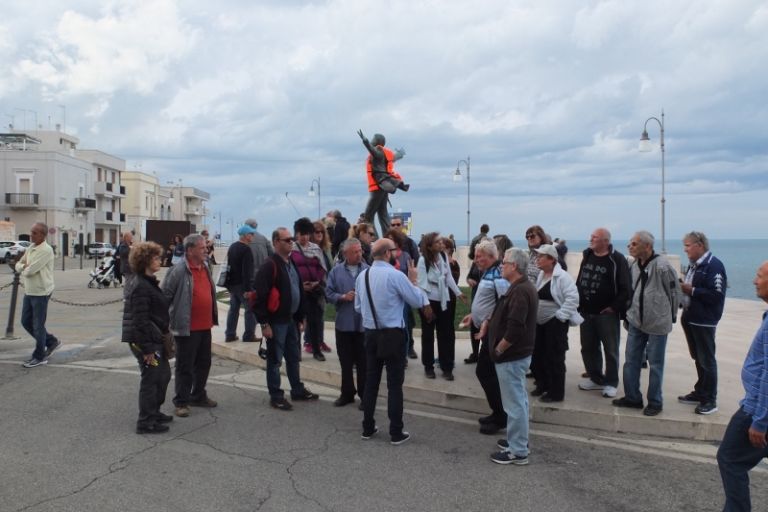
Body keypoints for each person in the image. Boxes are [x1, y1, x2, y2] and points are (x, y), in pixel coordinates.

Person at [354, 238, 432, 445]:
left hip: (370, 333)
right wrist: (413, 280)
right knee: (394, 385)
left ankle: (367, 427)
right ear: (388, 253)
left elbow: (358, 308)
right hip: (392, 334)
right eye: (395, 250)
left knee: (371, 382)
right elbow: (416, 301)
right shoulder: (395, 275)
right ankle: (396, 432)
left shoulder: (363, 275)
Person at [716, 261, 768, 512]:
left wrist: (760, 420)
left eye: (759, 276)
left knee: (730, 459)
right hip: (757, 406)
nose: (754, 281)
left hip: (755, 409)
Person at [613, 231, 680, 416]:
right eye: (630, 243)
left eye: (634, 244)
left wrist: (671, 316)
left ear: (648, 246)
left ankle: (655, 402)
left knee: (656, 364)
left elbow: (675, 293)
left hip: (657, 323)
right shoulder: (634, 265)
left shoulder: (663, 267)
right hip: (636, 321)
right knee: (631, 361)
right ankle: (632, 397)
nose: (630, 247)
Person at [481, 247, 538, 465]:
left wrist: (498, 350)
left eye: (504, 263)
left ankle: (518, 451)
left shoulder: (521, 291)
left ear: (514, 266)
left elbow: (515, 329)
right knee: (518, 401)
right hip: (515, 357)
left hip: (511, 358)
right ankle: (518, 441)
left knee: (514, 404)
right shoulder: (520, 287)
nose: (501, 266)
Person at [254, 227, 319, 410]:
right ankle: (276, 395)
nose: (291, 242)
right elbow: (260, 297)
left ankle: (297, 389)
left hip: (291, 320)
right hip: (276, 322)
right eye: (286, 240)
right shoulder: (269, 265)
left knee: (293, 357)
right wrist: (264, 323)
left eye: (291, 239)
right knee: (275, 360)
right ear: (275, 242)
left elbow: (297, 290)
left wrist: (301, 316)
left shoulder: (291, 264)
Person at [163, 234, 219, 418]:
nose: (206, 250)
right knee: (185, 366)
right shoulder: (178, 271)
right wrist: (166, 324)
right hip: (186, 327)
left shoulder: (205, 266)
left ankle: (198, 395)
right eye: (202, 248)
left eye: (205, 247)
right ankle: (181, 401)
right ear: (190, 250)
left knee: (204, 363)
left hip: (205, 326)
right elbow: (165, 297)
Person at [121, 241, 172, 434]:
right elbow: (140, 320)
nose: (160, 260)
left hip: (154, 339)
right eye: (156, 257)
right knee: (151, 379)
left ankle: (154, 411)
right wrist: (148, 349)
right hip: (145, 342)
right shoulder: (141, 286)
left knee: (163, 375)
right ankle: (146, 421)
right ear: (145, 260)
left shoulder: (147, 282)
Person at [459, 240, 510, 434]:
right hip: (487, 331)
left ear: (491, 256)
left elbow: (504, 304)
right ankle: (498, 413)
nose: (477, 259)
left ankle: (500, 416)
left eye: (480, 256)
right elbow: (489, 301)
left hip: (494, 333)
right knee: (487, 373)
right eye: (476, 255)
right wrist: (474, 315)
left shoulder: (497, 273)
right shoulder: (489, 272)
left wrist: (487, 321)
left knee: (485, 372)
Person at [576, 228, 631, 399]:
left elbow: (626, 288)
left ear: (605, 241)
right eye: (591, 236)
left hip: (606, 314)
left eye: (595, 237)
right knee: (588, 348)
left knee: (610, 350)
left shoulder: (617, 259)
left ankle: (611, 382)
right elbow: (580, 279)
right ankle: (595, 378)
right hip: (585, 312)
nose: (590, 239)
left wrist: (614, 307)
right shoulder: (588, 255)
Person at [678, 231, 727, 415]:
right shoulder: (694, 265)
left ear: (700, 245)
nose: (685, 250)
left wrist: (692, 290)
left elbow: (716, 295)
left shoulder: (713, 265)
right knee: (698, 357)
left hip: (704, 321)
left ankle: (710, 400)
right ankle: (701, 391)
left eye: (688, 245)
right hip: (691, 318)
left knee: (707, 359)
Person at [531, 244, 582, 403]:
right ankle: (542, 384)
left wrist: (560, 316)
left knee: (554, 357)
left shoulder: (563, 277)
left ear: (552, 260)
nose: (537, 259)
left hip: (555, 323)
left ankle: (556, 392)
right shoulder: (541, 275)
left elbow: (573, 298)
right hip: (540, 323)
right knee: (538, 355)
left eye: (541, 257)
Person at [417, 232, 466, 381]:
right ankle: (428, 366)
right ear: (430, 246)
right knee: (428, 335)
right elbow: (421, 285)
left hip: (444, 300)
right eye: (438, 242)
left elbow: (448, 277)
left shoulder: (444, 257)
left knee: (445, 333)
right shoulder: (422, 260)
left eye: (441, 242)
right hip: (429, 301)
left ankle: (447, 367)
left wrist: (458, 293)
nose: (442, 244)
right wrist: (426, 305)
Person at [326, 238, 368, 407]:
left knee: (363, 363)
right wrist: (342, 297)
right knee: (345, 361)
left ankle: (366, 396)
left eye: (360, 251)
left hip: (363, 325)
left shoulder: (368, 270)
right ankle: (347, 393)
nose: (359, 254)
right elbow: (328, 293)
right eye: (355, 252)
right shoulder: (335, 272)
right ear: (345, 254)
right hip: (344, 324)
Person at [17, 222, 61, 368]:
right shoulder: (31, 247)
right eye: (31, 231)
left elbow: (31, 271)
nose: (31, 234)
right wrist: (23, 266)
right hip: (29, 290)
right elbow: (19, 264)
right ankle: (51, 341)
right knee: (25, 321)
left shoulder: (46, 250)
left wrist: (23, 268)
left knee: (38, 325)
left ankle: (39, 356)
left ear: (43, 235)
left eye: (35, 232)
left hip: (41, 292)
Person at [291, 217, 330, 360]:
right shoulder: (292, 249)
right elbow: (289, 271)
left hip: (314, 291)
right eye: (302, 234)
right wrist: (300, 285)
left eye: (307, 234)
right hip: (298, 292)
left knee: (315, 322)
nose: (305, 237)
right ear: (297, 234)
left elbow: (322, 268)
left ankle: (316, 350)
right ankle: (296, 352)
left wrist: (317, 282)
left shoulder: (316, 249)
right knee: (297, 322)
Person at [357, 130, 408, 236]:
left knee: (368, 217)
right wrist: (401, 153)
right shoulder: (386, 153)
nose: (371, 140)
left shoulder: (378, 151)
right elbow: (395, 157)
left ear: (378, 142)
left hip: (378, 187)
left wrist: (365, 140)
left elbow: (372, 150)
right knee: (383, 215)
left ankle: (373, 240)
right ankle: (389, 238)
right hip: (384, 186)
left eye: (373, 139)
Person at [224, 225, 256, 342]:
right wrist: (248, 289)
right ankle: (249, 335)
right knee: (250, 310)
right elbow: (247, 271)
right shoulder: (246, 249)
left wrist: (228, 285)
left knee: (233, 310)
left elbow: (229, 267)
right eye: (251, 234)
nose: (253, 236)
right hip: (243, 285)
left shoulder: (232, 247)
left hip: (232, 284)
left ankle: (230, 334)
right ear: (246, 235)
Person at [244, 218, 274, 342]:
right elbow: (272, 255)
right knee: (261, 304)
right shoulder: (264, 239)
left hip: (249, 276)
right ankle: (258, 330)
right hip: (262, 276)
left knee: (247, 307)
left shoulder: (244, 240)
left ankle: (247, 334)